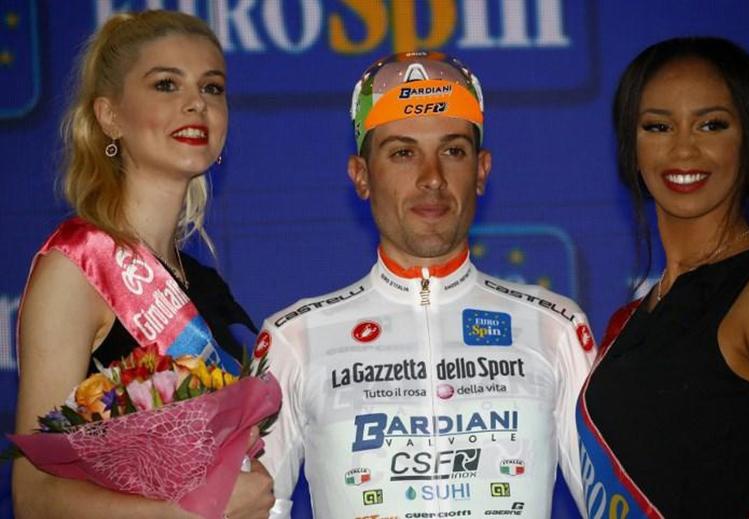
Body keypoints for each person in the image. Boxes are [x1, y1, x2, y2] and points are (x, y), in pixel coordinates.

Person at [258, 51, 596, 518]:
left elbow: (613, 509)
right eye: (402, 153)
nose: (431, 178)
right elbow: (251, 508)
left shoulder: (556, 328)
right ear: (361, 176)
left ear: (481, 171)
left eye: (453, 151)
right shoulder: (294, 339)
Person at [12, 10, 274, 518]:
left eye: (212, 88)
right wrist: (189, 512)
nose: (196, 103)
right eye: (166, 85)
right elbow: (33, 495)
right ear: (110, 116)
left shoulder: (203, 285)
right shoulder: (77, 267)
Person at [577, 37, 749, 518]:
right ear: (631, 148)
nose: (684, 148)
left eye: (712, 124)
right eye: (658, 126)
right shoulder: (632, 318)